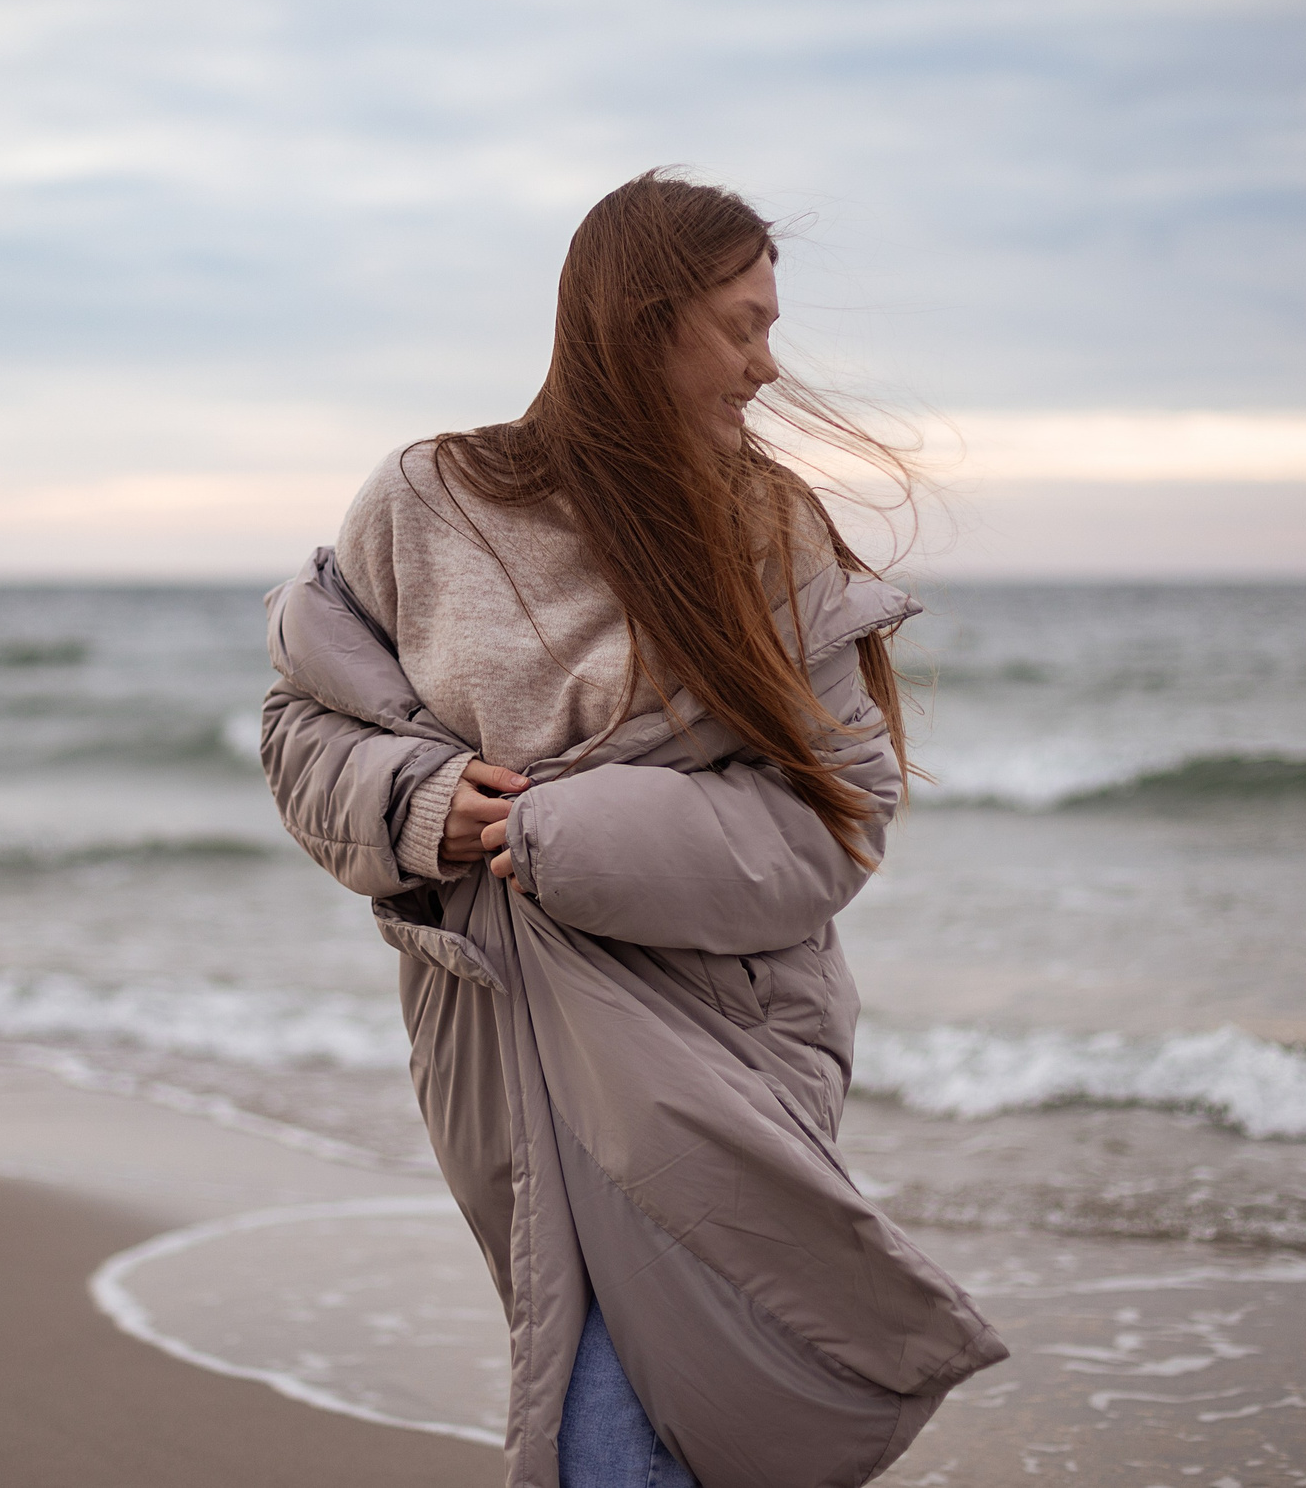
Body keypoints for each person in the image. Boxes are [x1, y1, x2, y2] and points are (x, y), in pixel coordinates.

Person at [260, 170, 1006, 1488]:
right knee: (628, 1396)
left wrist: (566, 836)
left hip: (720, 1046)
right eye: (743, 326)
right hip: (498, 1040)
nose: (766, 367)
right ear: (643, 320)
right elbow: (303, 724)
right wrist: (418, 804)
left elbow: (833, 820)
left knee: (629, 1423)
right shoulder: (425, 500)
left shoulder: (767, 529)